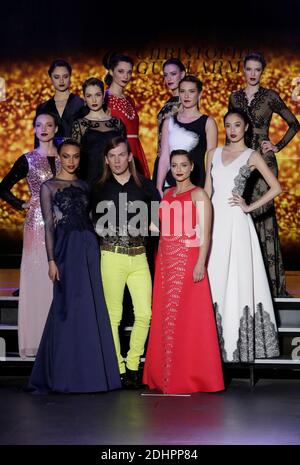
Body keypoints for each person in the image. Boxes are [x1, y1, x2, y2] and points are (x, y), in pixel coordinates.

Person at [27, 139, 121, 393]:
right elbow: (48, 225)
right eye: (66, 156)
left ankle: (92, 373)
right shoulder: (48, 187)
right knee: (65, 307)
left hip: (89, 247)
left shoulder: (83, 185)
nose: (71, 161)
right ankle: (64, 374)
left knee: (90, 306)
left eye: (75, 156)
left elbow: (90, 219)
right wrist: (51, 260)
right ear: (59, 157)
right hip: (65, 249)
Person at [143, 149, 224, 394]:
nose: (178, 169)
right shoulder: (167, 194)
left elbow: (205, 234)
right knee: (165, 317)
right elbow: (159, 227)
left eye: (183, 165)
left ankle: (192, 376)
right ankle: (165, 375)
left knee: (189, 319)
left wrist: (201, 263)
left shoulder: (199, 194)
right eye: (175, 165)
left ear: (191, 168)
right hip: (166, 261)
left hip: (188, 260)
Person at [205, 110, 281, 363]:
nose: (232, 129)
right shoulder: (212, 154)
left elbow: (276, 187)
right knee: (213, 279)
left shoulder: (252, 155)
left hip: (237, 223)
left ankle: (236, 347)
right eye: (228, 125)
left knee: (237, 280)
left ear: (246, 127)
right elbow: (207, 190)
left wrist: (249, 206)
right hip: (214, 222)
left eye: (237, 125)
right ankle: (210, 346)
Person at [228, 52, 300, 297]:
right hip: (242, 162)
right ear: (244, 70)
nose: (252, 73)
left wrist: (277, 146)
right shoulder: (235, 97)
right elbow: (232, 128)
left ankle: (271, 285)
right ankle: (247, 282)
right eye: (249, 69)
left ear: (262, 71)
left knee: (265, 219)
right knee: (242, 217)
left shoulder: (270, 96)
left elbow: (294, 124)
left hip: (265, 163)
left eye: (257, 69)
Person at [91, 136, 160, 389]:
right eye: (113, 156)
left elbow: (158, 221)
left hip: (139, 256)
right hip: (111, 255)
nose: (118, 160)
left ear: (130, 157)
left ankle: (133, 365)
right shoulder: (98, 187)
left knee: (145, 313)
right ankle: (118, 367)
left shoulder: (145, 186)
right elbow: (88, 221)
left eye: (122, 155)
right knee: (113, 316)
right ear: (107, 160)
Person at [0, 112, 60, 358]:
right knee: (39, 280)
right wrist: (21, 203)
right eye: (39, 125)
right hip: (37, 224)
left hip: (64, 223)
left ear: (56, 129)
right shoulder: (28, 159)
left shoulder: (66, 156)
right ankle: (37, 340)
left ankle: (59, 340)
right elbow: (2, 187)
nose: (43, 129)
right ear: (34, 129)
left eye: (48, 125)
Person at [156, 75, 218, 198]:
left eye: (191, 91)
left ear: (199, 94)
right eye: (183, 91)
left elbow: (212, 160)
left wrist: (208, 187)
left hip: (197, 182)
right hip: (171, 183)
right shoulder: (169, 121)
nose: (186, 96)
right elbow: (164, 157)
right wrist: (158, 186)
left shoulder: (208, 122)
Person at [71, 77, 126, 185]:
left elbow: (124, 153)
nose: (94, 100)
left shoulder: (117, 123)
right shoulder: (79, 124)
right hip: (89, 179)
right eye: (89, 96)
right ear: (85, 98)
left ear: (103, 96)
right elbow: (75, 156)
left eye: (97, 95)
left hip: (115, 179)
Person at [103, 53, 150, 177]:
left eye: (129, 72)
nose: (126, 76)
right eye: (121, 71)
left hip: (135, 150)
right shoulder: (104, 98)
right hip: (117, 153)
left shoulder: (130, 100)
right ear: (111, 72)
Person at [35, 59, 85, 147]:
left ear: (70, 77)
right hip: (50, 158)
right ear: (50, 78)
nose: (61, 81)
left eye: (65, 76)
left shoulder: (81, 104)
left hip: (76, 157)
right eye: (57, 77)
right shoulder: (43, 108)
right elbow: (38, 142)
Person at [152, 58, 186, 186]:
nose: (169, 79)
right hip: (163, 159)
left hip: (175, 161)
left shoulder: (185, 102)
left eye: (173, 74)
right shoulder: (170, 102)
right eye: (166, 75)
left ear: (182, 74)